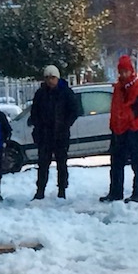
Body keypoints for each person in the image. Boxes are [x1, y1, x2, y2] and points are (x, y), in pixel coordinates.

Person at [100, 55, 138, 204]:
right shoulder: (118, 88)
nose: (123, 74)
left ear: (131, 71)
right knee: (116, 164)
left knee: (137, 163)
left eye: (126, 71)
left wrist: (137, 124)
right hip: (119, 131)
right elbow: (116, 108)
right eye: (121, 71)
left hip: (134, 131)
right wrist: (113, 125)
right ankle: (115, 192)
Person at [28, 65, 80, 200]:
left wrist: (65, 125)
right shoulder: (40, 94)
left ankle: (62, 190)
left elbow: (74, 111)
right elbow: (34, 112)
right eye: (47, 78)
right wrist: (37, 127)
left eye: (52, 77)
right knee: (43, 164)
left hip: (60, 134)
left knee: (61, 163)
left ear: (57, 78)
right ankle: (40, 190)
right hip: (44, 135)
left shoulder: (66, 93)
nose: (50, 81)